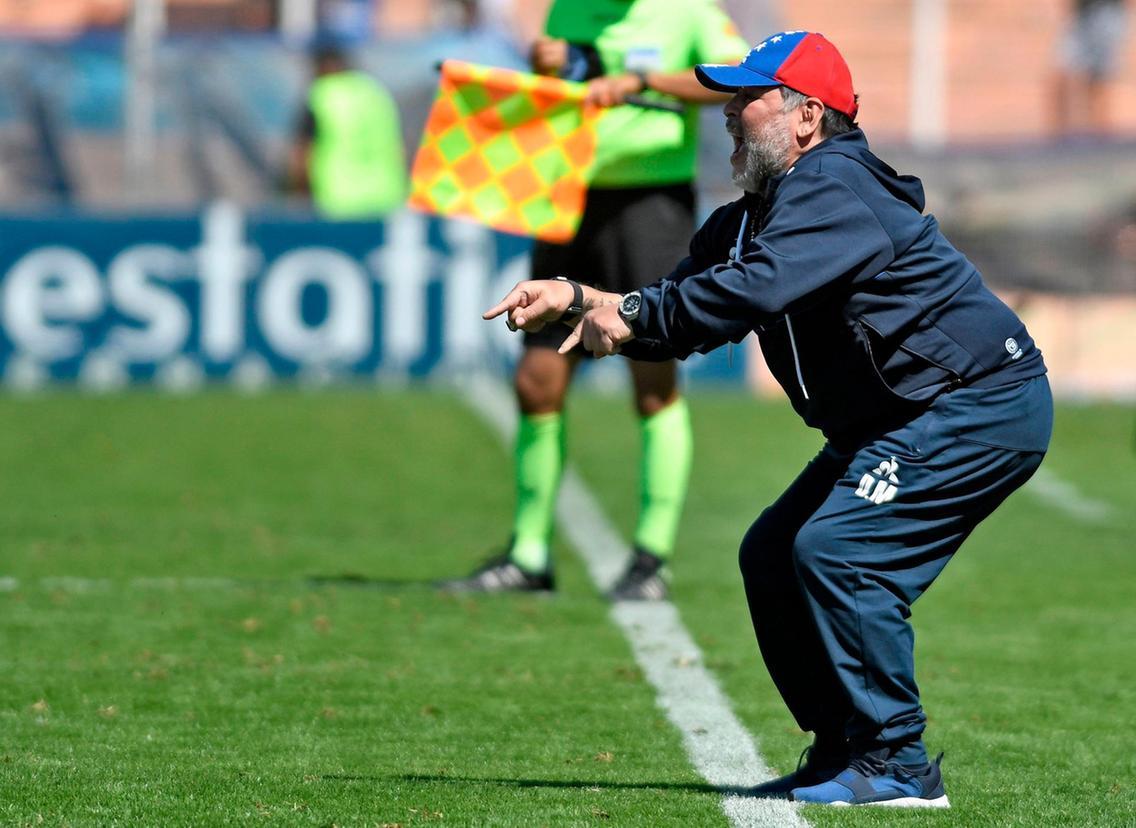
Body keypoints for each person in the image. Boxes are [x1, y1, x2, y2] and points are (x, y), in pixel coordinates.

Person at [484, 31, 1053, 807]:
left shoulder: (835, 186)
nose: (728, 114)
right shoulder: (751, 216)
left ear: (807, 116)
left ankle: (897, 763)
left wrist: (627, 309)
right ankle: (843, 749)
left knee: (840, 551)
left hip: (975, 403)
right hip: (899, 416)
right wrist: (582, 298)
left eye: (747, 99)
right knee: (773, 554)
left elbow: (742, 294)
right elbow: (683, 310)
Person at [444, 0, 747, 600]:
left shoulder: (686, 11)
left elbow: (734, 73)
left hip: (650, 205)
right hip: (568, 198)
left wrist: (642, 80)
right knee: (536, 378)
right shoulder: (568, 11)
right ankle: (529, 555)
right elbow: (561, 101)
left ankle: (651, 559)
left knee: (653, 380)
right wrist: (549, 70)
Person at [288, 44, 406, 218]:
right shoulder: (376, 93)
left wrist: (298, 196)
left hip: (339, 201)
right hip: (387, 197)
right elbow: (399, 149)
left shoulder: (321, 94)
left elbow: (303, 155)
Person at [1053, 0, 1129, 136]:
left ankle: (1101, 137)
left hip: (1104, 13)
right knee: (1061, 77)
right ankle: (1062, 137)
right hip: (1082, 16)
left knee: (1097, 84)